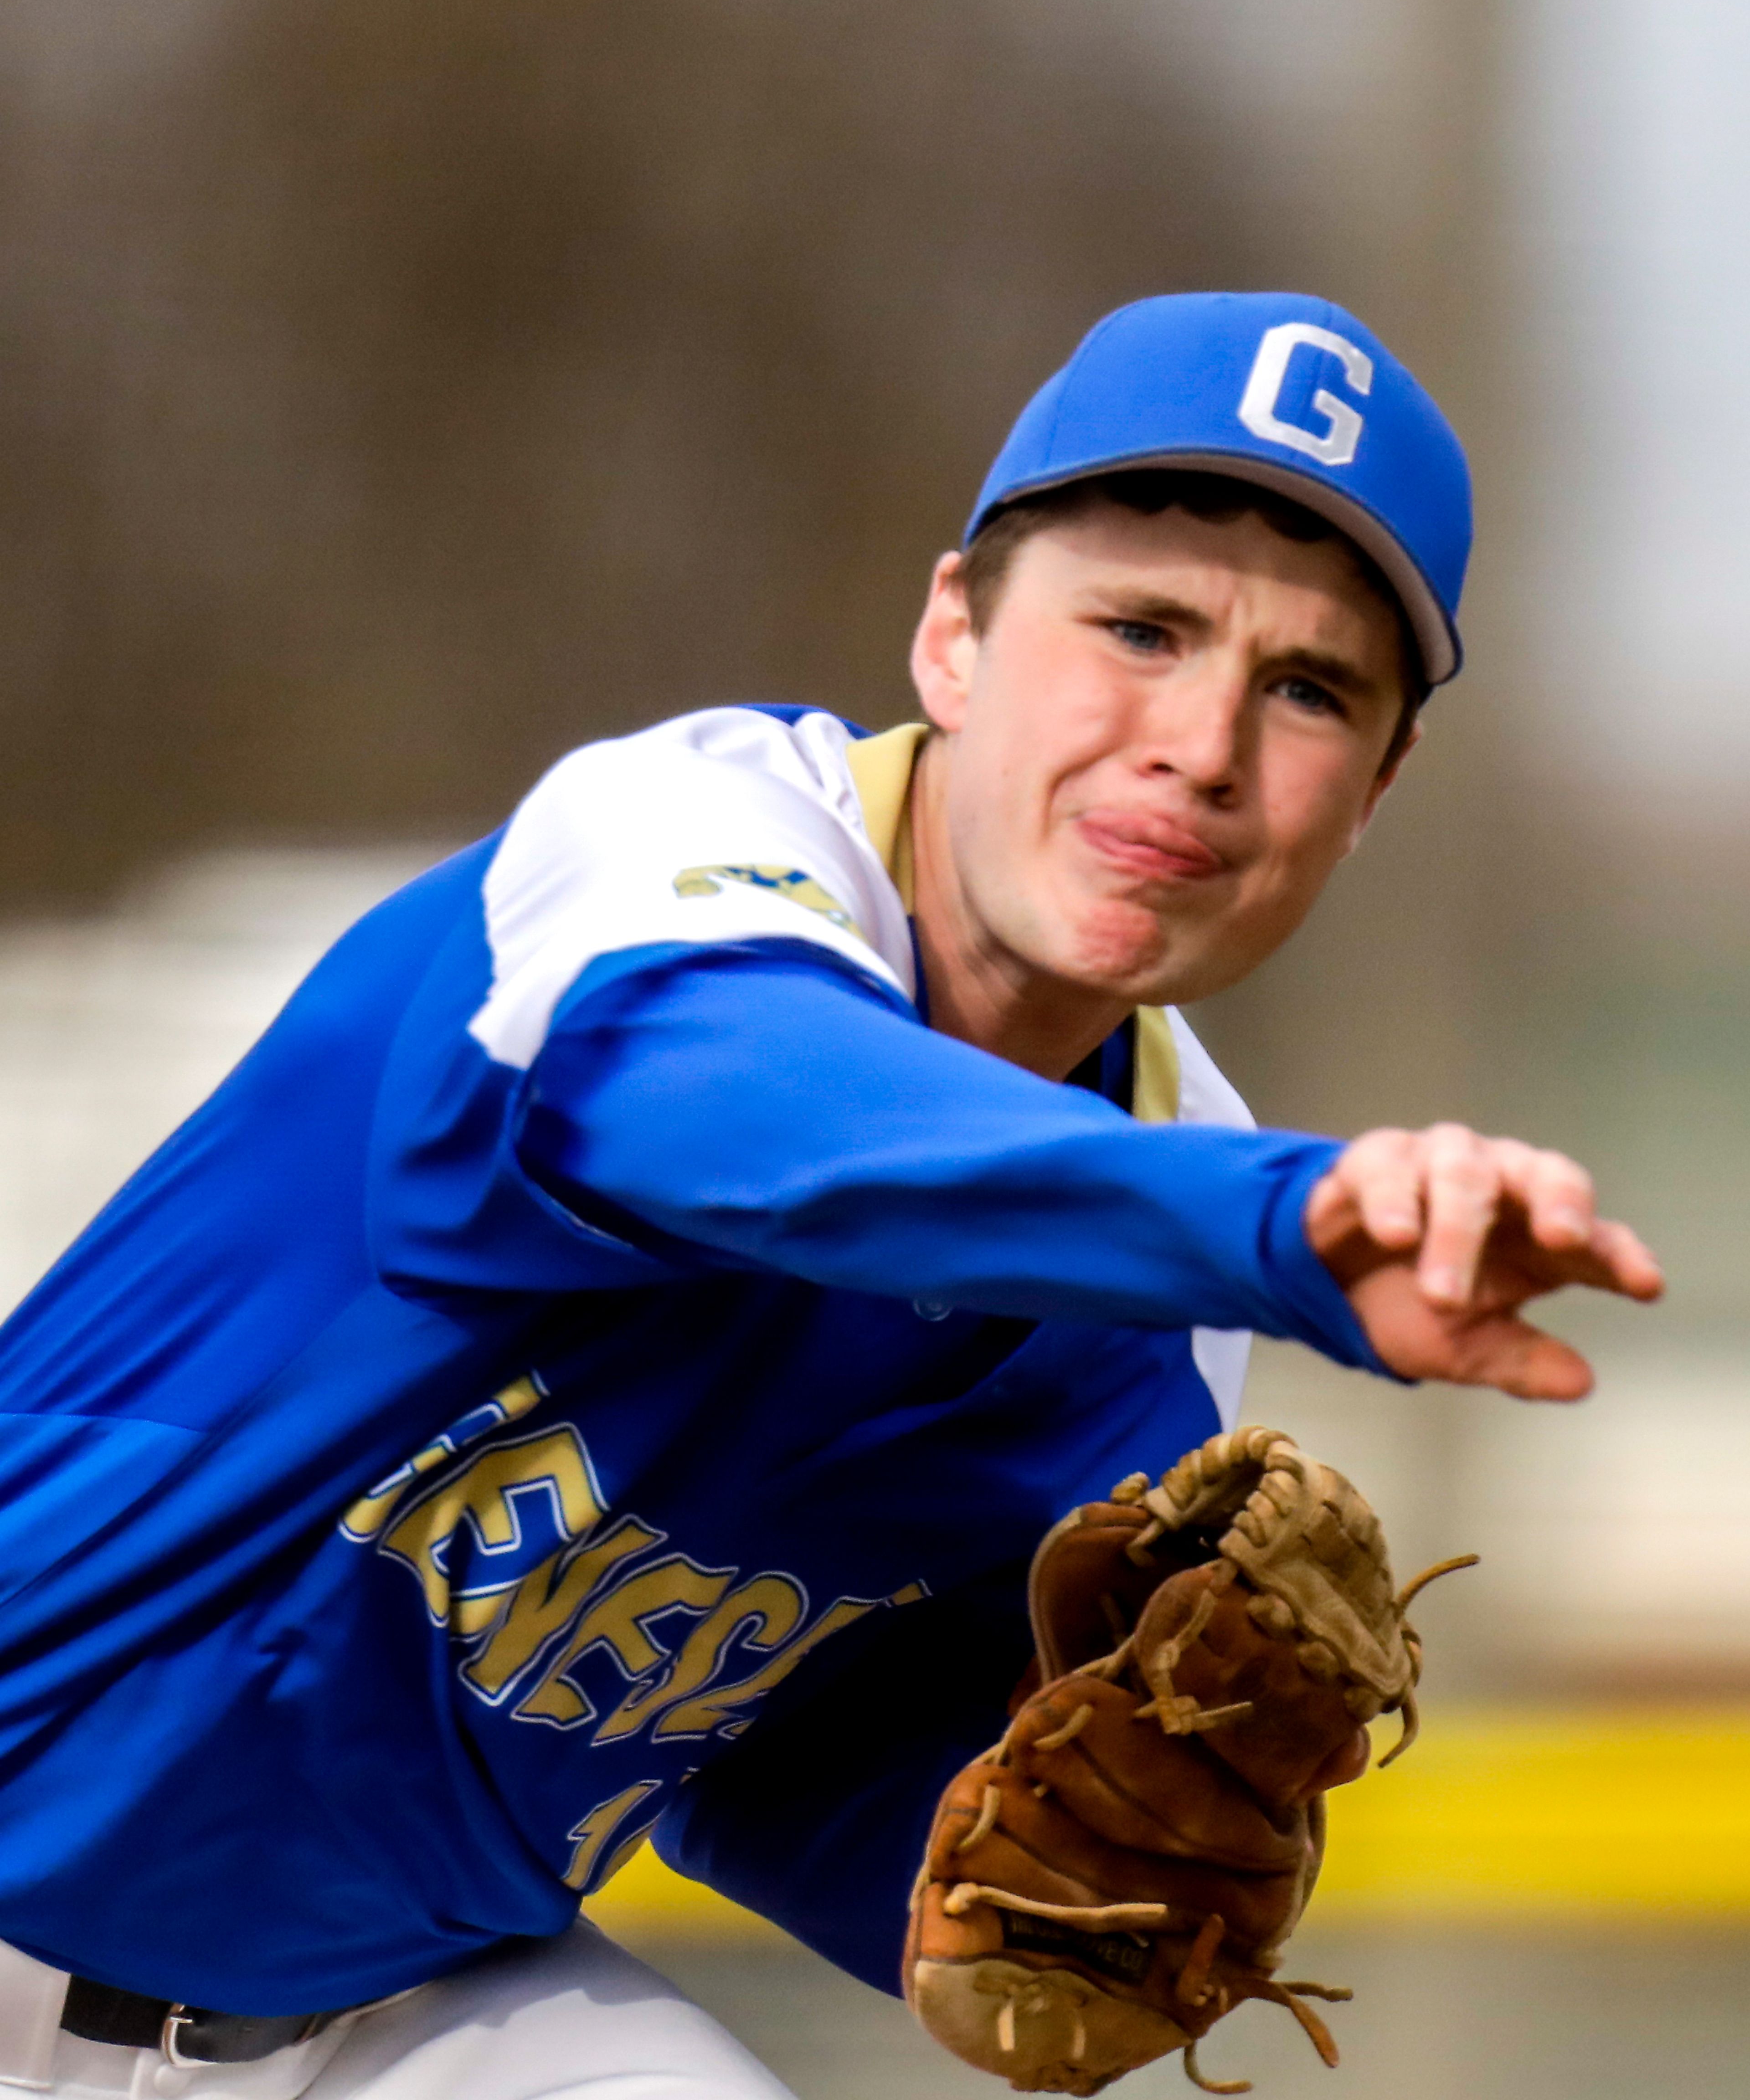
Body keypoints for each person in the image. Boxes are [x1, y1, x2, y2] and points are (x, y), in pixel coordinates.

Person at [0, 292, 1659, 2100]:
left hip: (402, 2005)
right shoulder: (669, 846)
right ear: (953, 636)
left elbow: (756, 1755)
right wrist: (1273, 1227)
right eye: (1141, 628)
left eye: (1309, 688)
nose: (1201, 744)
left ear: (1376, 792)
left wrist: (1009, 1872)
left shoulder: (1155, 1302)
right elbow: (735, 1115)